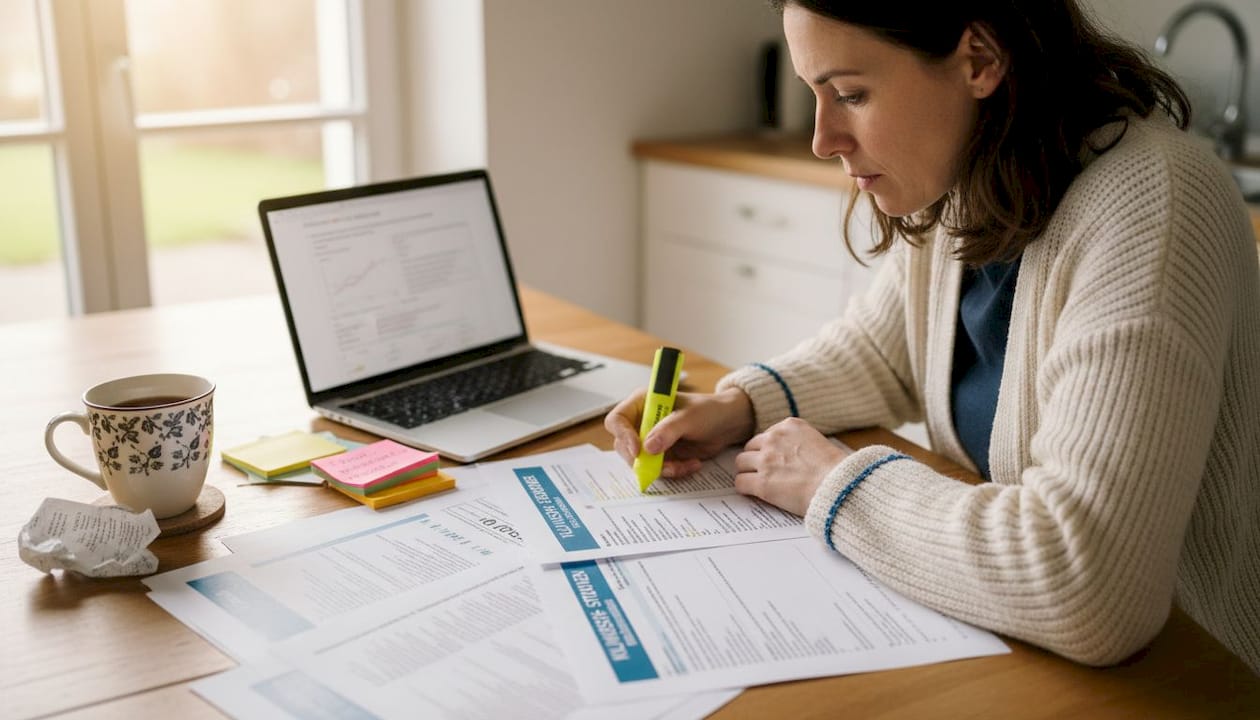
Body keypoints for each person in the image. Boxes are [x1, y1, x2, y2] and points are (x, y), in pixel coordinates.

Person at [606, 0, 1260, 674]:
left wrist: (832, 483)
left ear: (980, 58)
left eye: (850, 94)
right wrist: (739, 407)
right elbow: (884, 350)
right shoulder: (976, 168)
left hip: (1200, 671)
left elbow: (1090, 582)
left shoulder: (1153, 202)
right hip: (1025, 647)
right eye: (814, 95)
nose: (822, 139)